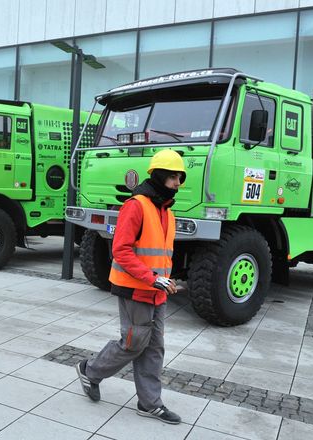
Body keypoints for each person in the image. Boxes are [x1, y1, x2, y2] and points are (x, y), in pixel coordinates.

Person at [76, 149, 186, 425]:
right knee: (133, 344)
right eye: (173, 177)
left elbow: (160, 254)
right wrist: (152, 278)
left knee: (154, 347)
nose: (177, 183)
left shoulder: (166, 211)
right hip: (135, 288)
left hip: (157, 290)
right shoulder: (136, 206)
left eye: (180, 178)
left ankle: (149, 403)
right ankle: (90, 370)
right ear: (159, 176)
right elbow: (121, 251)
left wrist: (166, 279)